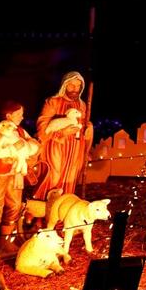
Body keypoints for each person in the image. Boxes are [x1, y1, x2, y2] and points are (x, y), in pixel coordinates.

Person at [0, 101, 39, 256]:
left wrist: (29, 147)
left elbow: (33, 143)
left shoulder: (20, 131)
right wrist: (13, 150)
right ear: (9, 116)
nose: (22, 117)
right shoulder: (2, 131)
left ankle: (5, 240)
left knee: (14, 205)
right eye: (19, 114)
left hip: (15, 174)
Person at [33, 71, 93, 200]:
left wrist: (89, 129)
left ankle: (62, 210)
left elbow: (84, 124)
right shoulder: (53, 102)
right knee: (53, 176)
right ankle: (41, 209)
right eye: (71, 85)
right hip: (55, 146)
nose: (74, 89)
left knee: (69, 178)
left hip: (75, 147)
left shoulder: (82, 105)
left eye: (78, 86)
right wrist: (61, 133)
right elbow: (43, 126)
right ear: (64, 85)